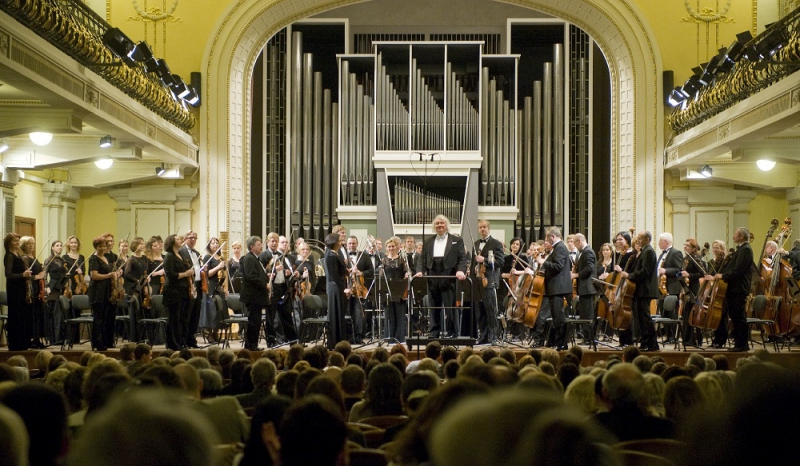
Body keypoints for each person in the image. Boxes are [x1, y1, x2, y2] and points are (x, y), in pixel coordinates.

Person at [415, 215, 468, 339]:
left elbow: (462, 258)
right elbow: (422, 259)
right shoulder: (428, 241)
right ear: (434, 226)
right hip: (432, 275)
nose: (439, 225)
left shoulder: (457, 240)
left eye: (442, 223)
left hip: (449, 275)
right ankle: (434, 332)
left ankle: (452, 332)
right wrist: (420, 271)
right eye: (437, 223)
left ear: (446, 225)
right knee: (433, 307)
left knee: (450, 308)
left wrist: (460, 271)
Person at [706, 227, 752, 352]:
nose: (733, 236)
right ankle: (739, 343)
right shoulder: (741, 249)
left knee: (738, 317)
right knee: (735, 316)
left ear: (741, 237)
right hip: (733, 289)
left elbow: (738, 270)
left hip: (738, 289)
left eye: (736, 234)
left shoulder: (746, 250)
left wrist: (722, 275)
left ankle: (741, 344)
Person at [621, 230, 659, 352]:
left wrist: (629, 275)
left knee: (645, 318)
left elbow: (645, 272)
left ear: (647, 239)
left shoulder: (648, 252)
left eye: (640, 238)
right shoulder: (643, 251)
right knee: (642, 319)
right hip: (641, 290)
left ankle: (651, 344)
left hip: (645, 289)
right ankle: (646, 342)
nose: (637, 241)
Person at [535, 227, 572, 350]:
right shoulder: (557, 248)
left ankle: (562, 343)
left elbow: (558, 266)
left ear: (552, 236)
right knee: (556, 317)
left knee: (559, 317)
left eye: (547, 238)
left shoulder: (560, 247)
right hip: (554, 288)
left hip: (558, 288)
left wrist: (543, 261)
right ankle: (559, 342)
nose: (546, 240)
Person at [470, 219, 504, 344]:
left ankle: (493, 337)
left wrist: (484, 259)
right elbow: (474, 263)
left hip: (489, 281)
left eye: (484, 227)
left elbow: (500, 262)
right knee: (480, 312)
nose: (482, 229)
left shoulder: (496, 244)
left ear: (489, 228)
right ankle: (483, 336)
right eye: (480, 227)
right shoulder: (475, 243)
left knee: (491, 311)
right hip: (478, 281)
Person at [88, 236, 122, 351]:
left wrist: (115, 273)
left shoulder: (106, 258)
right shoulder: (94, 258)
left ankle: (106, 341)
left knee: (106, 318)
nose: (102, 248)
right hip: (98, 291)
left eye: (103, 246)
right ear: (95, 247)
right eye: (99, 246)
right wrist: (109, 275)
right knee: (98, 318)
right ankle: (97, 343)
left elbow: (109, 272)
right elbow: (94, 275)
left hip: (107, 290)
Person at [163, 234, 194, 351]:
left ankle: (180, 342)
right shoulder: (169, 256)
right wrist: (186, 274)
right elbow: (170, 275)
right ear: (171, 242)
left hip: (182, 291)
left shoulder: (180, 255)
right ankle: (173, 344)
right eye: (177, 239)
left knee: (181, 318)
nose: (180, 240)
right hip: (172, 291)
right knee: (174, 319)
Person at [4, 233, 33, 351]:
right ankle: (16, 344)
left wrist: (26, 272)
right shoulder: (9, 256)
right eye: (14, 241)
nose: (17, 242)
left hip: (21, 289)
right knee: (16, 316)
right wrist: (23, 274)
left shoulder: (18, 255)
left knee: (22, 316)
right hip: (14, 290)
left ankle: (23, 343)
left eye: (18, 240)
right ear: (9, 243)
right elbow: (8, 274)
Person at [240, 236, 268, 351]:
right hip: (253, 296)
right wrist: (265, 284)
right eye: (258, 244)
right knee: (253, 322)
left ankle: (253, 345)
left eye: (261, 244)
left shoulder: (255, 258)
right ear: (252, 247)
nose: (261, 246)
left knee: (256, 322)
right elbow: (251, 277)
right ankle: (251, 346)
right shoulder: (250, 258)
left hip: (257, 297)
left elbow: (257, 274)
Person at [380, 236, 409, 343]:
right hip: (387, 290)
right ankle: (389, 337)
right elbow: (381, 276)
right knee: (389, 314)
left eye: (393, 246)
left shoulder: (402, 259)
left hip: (399, 289)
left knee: (400, 314)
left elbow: (406, 271)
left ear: (396, 247)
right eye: (389, 246)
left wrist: (407, 274)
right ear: (386, 248)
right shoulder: (383, 260)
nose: (391, 248)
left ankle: (399, 338)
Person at [324, 232, 350, 350]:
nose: (341, 242)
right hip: (335, 287)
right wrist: (343, 289)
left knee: (339, 314)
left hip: (336, 287)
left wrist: (346, 270)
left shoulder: (334, 254)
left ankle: (339, 341)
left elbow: (340, 271)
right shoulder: (331, 255)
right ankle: (335, 342)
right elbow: (334, 275)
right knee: (336, 315)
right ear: (334, 242)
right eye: (339, 241)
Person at [20, 236, 47, 349]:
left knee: (37, 316)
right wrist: (37, 276)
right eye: (28, 244)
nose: (31, 246)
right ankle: (30, 339)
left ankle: (37, 338)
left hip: (37, 289)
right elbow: (26, 277)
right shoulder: (25, 258)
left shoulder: (34, 258)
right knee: (31, 316)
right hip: (30, 290)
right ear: (23, 246)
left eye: (32, 243)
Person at [656, 233, 684, 342]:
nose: (658, 243)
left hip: (671, 287)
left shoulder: (676, 253)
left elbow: (679, 270)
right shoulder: (661, 254)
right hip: (662, 288)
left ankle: (673, 337)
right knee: (664, 313)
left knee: (671, 314)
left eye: (660, 241)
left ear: (665, 242)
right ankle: (668, 336)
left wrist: (666, 271)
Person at [199, 237, 226, 343]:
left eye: (217, 243)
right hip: (210, 286)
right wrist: (218, 267)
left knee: (220, 310)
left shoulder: (220, 258)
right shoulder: (207, 257)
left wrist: (226, 289)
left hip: (219, 287)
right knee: (211, 310)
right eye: (213, 243)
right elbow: (207, 274)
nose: (215, 244)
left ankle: (216, 332)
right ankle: (209, 334)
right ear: (209, 245)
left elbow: (224, 274)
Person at [571, 233, 596, 345]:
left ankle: (589, 338)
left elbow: (589, 268)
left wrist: (576, 275)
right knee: (584, 314)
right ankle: (587, 338)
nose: (575, 246)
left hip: (588, 288)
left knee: (588, 315)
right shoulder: (583, 252)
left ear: (579, 241)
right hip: (584, 288)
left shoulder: (588, 251)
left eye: (575, 243)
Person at [179, 230, 203, 348]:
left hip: (197, 285)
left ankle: (191, 339)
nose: (193, 240)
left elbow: (198, 269)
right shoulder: (181, 252)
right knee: (186, 315)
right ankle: (183, 340)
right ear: (185, 239)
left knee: (195, 315)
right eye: (190, 238)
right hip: (188, 286)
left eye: (195, 238)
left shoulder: (197, 253)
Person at [680, 238, 706, 346]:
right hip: (687, 289)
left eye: (688, 246)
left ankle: (694, 340)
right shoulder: (686, 258)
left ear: (693, 248)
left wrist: (689, 275)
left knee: (692, 313)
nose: (685, 247)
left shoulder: (695, 258)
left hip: (694, 289)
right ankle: (686, 339)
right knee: (687, 313)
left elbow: (703, 272)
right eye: (685, 245)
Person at [123, 237, 148, 343]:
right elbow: (127, 274)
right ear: (135, 246)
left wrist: (146, 279)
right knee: (134, 313)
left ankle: (142, 337)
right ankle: (134, 338)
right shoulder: (131, 259)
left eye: (143, 243)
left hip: (142, 286)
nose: (142, 245)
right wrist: (137, 280)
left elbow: (146, 272)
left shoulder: (145, 258)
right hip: (133, 288)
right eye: (140, 244)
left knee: (142, 311)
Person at [44, 240, 67, 345]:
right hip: (52, 289)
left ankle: (60, 338)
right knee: (54, 315)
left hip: (61, 287)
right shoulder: (49, 260)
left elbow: (65, 274)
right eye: (57, 246)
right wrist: (46, 287)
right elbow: (44, 275)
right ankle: (54, 339)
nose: (60, 247)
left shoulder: (62, 260)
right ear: (52, 247)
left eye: (61, 246)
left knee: (60, 315)